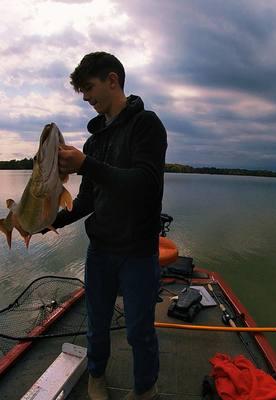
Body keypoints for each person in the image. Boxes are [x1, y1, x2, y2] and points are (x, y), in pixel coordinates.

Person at [48, 52, 167, 400]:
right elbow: (86, 202)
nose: (85, 97)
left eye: (89, 87)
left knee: (139, 331)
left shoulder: (147, 124)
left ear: (112, 80)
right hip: (100, 250)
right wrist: (45, 222)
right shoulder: (94, 140)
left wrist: (86, 164)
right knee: (96, 325)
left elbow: (145, 184)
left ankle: (145, 388)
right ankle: (96, 376)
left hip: (139, 251)